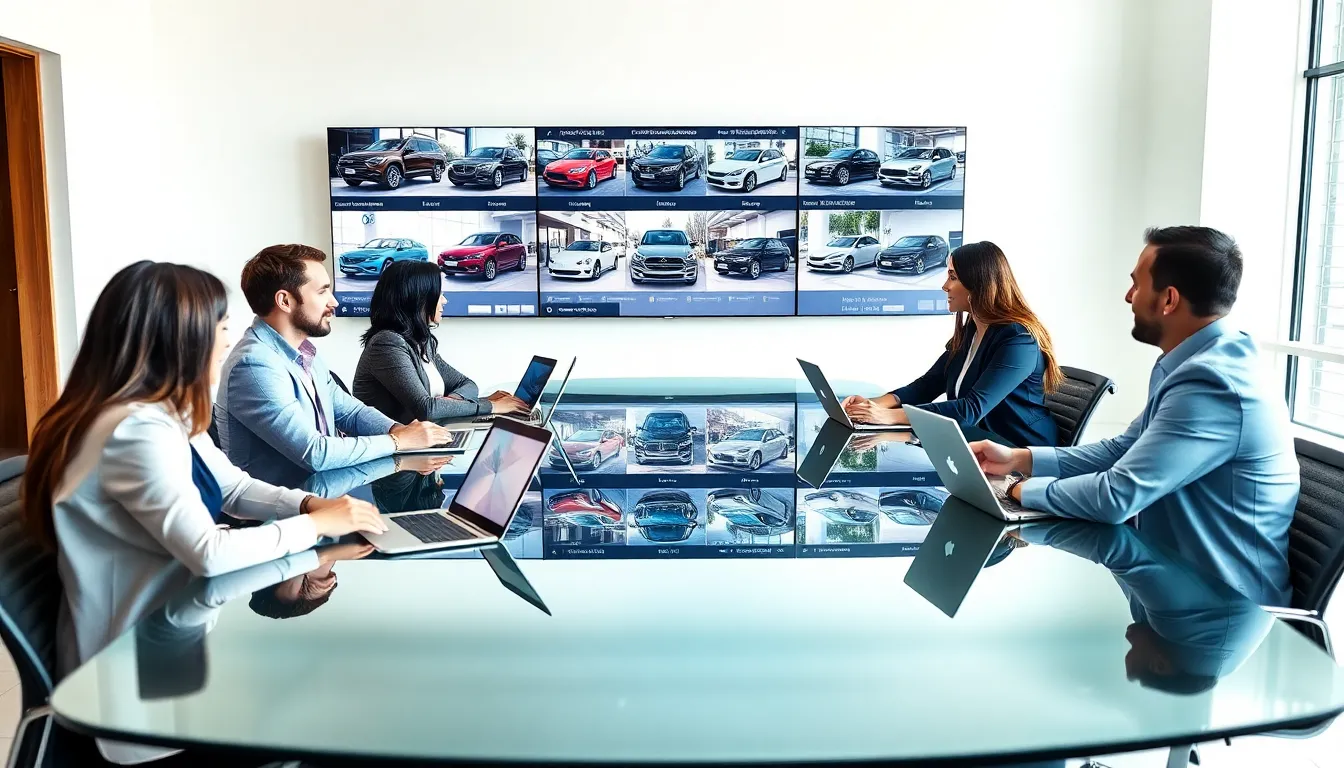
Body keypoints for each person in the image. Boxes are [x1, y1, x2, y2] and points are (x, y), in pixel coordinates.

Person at [21, 260, 388, 765]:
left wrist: (307, 502)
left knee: (338, 683)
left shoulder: (161, 413)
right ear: (179, 339)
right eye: (218, 328)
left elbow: (233, 487)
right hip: (141, 700)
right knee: (354, 710)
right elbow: (209, 554)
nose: (226, 340)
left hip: (171, 644)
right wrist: (318, 524)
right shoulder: (132, 429)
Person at [973, 226, 1299, 606]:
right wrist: (1020, 460)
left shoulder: (1213, 382)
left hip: (1219, 605)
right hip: (1167, 582)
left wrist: (1017, 491)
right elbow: (1123, 449)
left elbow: (1117, 496)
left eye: (1136, 285)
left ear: (1169, 300)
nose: (1128, 297)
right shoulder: (1192, 362)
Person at [215, 244, 451, 488]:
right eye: (322, 292)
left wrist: (403, 431)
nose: (334, 302)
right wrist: (398, 441)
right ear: (285, 300)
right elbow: (314, 453)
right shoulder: (254, 365)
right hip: (278, 515)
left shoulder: (305, 354)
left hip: (320, 497)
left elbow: (351, 413)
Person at [841, 241, 1061, 448]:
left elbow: (971, 409)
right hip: (978, 444)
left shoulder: (1018, 340)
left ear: (979, 284)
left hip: (1022, 453)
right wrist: (873, 405)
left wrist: (889, 417)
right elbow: (928, 384)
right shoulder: (972, 330)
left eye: (953, 277)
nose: (945, 286)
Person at [352, 260, 528, 424]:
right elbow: (427, 409)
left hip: (426, 440)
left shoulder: (421, 342)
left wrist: (446, 404)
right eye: (439, 293)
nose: (444, 300)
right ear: (417, 298)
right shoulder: (386, 344)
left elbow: (467, 384)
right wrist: (491, 406)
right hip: (394, 450)